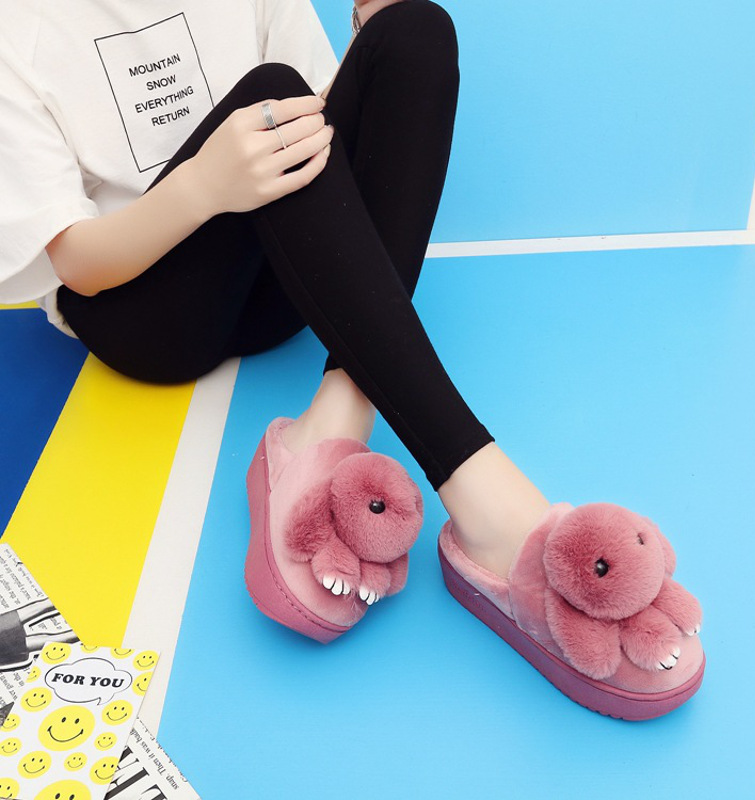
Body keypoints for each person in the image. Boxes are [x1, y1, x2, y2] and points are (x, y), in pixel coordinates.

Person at [0, 0, 704, 719]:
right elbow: (78, 264)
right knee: (268, 96)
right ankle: (493, 506)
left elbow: (323, 131)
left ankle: (335, 415)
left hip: (284, 281)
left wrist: (373, 45)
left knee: (414, 31)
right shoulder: (16, 30)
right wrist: (203, 187)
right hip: (149, 315)